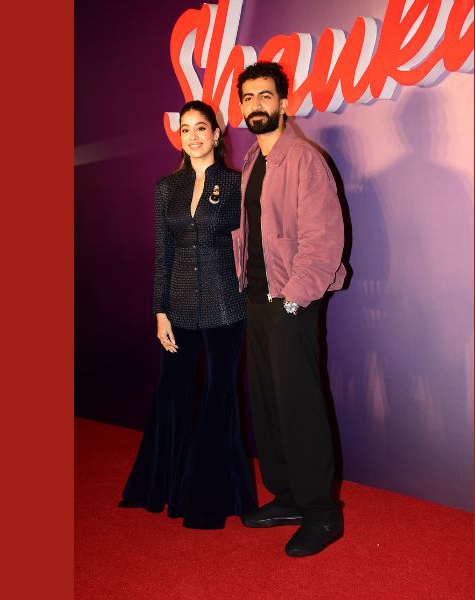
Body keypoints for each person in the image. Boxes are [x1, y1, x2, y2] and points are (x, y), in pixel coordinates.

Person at [119, 100, 256, 529]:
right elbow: (163, 253)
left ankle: (209, 497)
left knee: (218, 395)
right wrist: (159, 311)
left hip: (226, 304)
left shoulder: (235, 183)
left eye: (201, 128)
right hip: (177, 306)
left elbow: (250, 245)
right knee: (172, 392)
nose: (193, 136)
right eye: (185, 129)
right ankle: (160, 485)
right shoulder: (167, 188)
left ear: (216, 134)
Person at [232, 62, 347, 556]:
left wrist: (294, 299)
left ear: (283, 103)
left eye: (265, 96)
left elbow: (323, 241)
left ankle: (321, 512)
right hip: (257, 299)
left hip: (291, 300)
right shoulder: (251, 162)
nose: (255, 105)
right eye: (248, 97)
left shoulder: (304, 160)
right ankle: (287, 498)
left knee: (299, 404)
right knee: (268, 403)